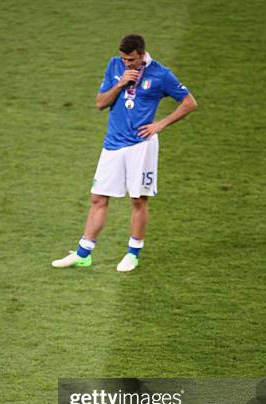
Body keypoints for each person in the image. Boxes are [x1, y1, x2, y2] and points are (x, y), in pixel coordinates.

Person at [51, 34, 197, 272]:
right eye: (124, 59)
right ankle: (83, 253)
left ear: (142, 54)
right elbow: (100, 103)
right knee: (98, 198)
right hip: (112, 144)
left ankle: (133, 253)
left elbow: (190, 102)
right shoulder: (114, 66)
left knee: (138, 199)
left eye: (131, 60)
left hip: (142, 145)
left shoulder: (161, 75)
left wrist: (161, 124)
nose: (127, 63)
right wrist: (120, 83)